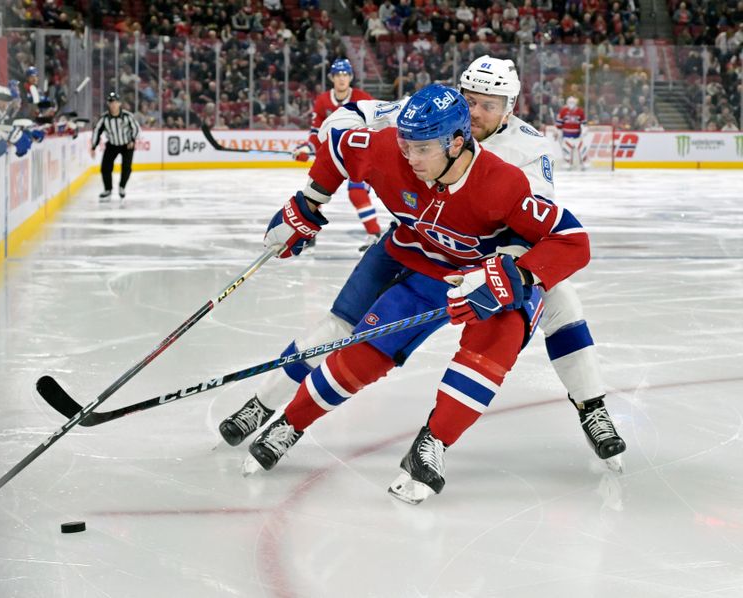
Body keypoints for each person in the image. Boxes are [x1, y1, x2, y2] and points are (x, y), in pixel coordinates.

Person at [219, 57, 626, 474]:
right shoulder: (432, 116)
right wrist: (310, 198)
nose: (476, 112)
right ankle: (262, 404)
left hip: (479, 259)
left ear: (512, 106)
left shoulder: (529, 152)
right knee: (337, 327)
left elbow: (536, 234)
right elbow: (353, 120)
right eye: (471, 100)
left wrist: (513, 274)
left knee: (563, 307)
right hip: (412, 240)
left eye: (490, 104)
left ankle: (592, 406)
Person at [292, 58, 382, 251]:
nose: (342, 79)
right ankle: (309, 234)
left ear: (350, 77)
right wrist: (307, 149)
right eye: (338, 75)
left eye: (345, 74)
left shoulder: (362, 97)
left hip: (359, 155)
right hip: (334, 156)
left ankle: (374, 234)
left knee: (357, 192)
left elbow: (378, 123)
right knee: (314, 191)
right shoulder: (323, 100)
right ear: (332, 78)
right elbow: (316, 132)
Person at [90, 91, 140, 201]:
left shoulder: (127, 116)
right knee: (105, 168)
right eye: (111, 102)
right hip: (112, 144)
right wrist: (93, 146)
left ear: (119, 103)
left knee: (126, 167)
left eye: (115, 102)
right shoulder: (104, 118)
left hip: (127, 145)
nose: (113, 105)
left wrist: (132, 139)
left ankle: (122, 187)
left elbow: (136, 128)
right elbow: (97, 131)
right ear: (108, 104)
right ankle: (108, 189)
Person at [556, 96, 589, 170]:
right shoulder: (563, 111)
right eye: (570, 102)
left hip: (577, 136)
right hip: (566, 136)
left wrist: (584, 130)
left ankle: (584, 162)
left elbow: (584, 123)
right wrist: (558, 132)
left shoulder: (580, 111)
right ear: (567, 103)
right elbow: (559, 124)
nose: (571, 104)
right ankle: (567, 163)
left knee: (582, 148)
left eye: (572, 102)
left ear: (575, 103)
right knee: (566, 149)